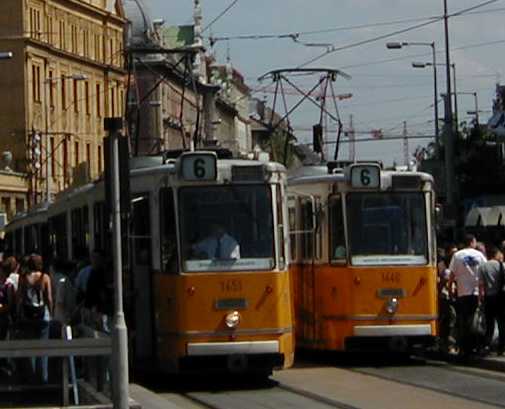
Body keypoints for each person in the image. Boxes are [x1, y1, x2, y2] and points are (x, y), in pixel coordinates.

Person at [449, 234, 487, 357]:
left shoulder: (457, 255)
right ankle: (473, 346)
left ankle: (464, 347)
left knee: (463, 320)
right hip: (476, 292)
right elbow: (484, 272)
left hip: (462, 292)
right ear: (472, 242)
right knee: (474, 320)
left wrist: (450, 289)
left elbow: (451, 275)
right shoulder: (479, 255)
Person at [17, 254, 53, 383]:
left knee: (30, 347)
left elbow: (19, 298)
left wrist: (18, 313)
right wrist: (52, 312)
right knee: (43, 348)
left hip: (28, 317)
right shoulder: (45, 277)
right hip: (43, 316)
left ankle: (31, 379)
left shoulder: (23, 278)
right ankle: (43, 378)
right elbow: (49, 298)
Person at [478, 246, 505, 355]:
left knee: (489, 324)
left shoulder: (482, 266)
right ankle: (501, 347)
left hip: (488, 298)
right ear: (496, 254)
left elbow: (480, 285)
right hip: (500, 298)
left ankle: (487, 345)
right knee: (502, 323)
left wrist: (481, 298)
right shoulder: (502, 265)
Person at [438, 243, 458, 355]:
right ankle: (447, 343)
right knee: (450, 318)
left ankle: (449, 342)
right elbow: (441, 280)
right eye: (453, 252)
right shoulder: (442, 264)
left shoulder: (456, 263)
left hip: (455, 295)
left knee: (452, 319)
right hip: (445, 296)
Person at [0, 263, 15, 375]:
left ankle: (4, 364)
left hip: (3, 318)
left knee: (3, 340)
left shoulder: (8, 285)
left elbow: (10, 304)